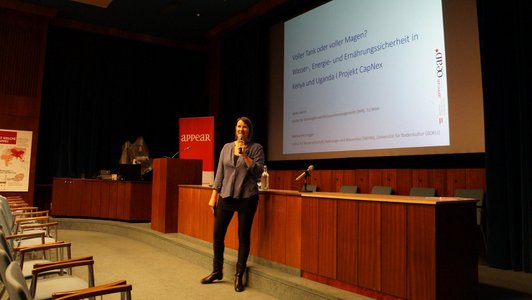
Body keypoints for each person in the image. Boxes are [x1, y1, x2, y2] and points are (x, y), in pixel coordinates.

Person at [200, 116, 265, 292]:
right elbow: (220, 173)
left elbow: (259, 172)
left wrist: (245, 155)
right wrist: (214, 196)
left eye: (244, 127)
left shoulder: (256, 148)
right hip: (226, 196)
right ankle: (217, 271)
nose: (241, 129)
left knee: (243, 237)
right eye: (238, 126)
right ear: (235, 129)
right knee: (217, 234)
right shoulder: (226, 148)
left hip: (247, 197)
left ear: (249, 130)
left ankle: (238, 276)